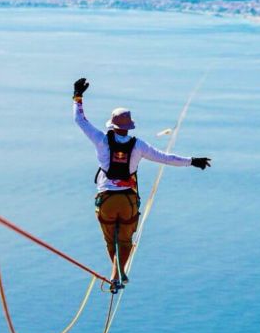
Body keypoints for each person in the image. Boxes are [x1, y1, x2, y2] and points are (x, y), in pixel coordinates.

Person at [72, 77, 210, 292]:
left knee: (111, 241)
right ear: (128, 127)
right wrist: (193, 161)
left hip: (106, 199)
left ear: (112, 125)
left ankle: (115, 272)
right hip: (127, 199)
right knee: (125, 240)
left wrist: (78, 97)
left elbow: (80, 121)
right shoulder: (139, 146)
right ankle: (119, 273)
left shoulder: (100, 140)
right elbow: (166, 158)